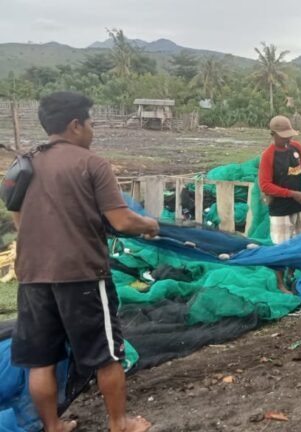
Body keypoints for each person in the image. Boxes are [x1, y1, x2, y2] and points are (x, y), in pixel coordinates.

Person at [11, 92, 158, 432]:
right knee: (106, 353)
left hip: (32, 276)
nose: (92, 130)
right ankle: (119, 422)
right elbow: (121, 221)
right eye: (91, 123)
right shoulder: (91, 163)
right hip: (82, 276)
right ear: (75, 125)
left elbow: (18, 217)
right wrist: (149, 225)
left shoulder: (24, 163)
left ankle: (53, 426)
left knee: (41, 360)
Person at [258, 115, 301, 293]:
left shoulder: (296, 147)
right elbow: (265, 185)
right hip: (280, 209)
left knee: (299, 242)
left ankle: (291, 274)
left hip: (298, 206)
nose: (288, 139)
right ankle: (280, 283)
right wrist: (292, 194)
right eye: (283, 136)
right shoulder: (268, 155)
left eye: (289, 135)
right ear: (273, 134)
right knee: (281, 247)